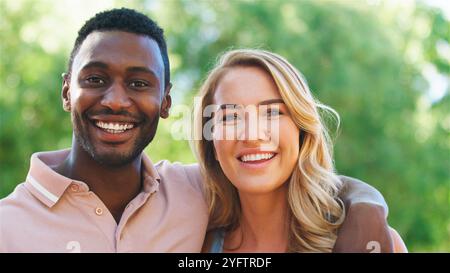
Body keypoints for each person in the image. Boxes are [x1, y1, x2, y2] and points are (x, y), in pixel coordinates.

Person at [0, 8, 393, 252]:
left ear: (166, 103)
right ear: (67, 90)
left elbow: (294, 180)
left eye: (139, 83)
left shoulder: (187, 192)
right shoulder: (7, 226)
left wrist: (368, 207)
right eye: (96, 78)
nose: (116, 101)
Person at [194, 49, 407, 252]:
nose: (251, 135)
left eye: (272, 112)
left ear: (301, 131)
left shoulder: (376, 244)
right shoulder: (193, 243)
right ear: (211, 141)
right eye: (230, 117)